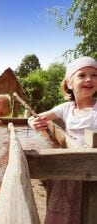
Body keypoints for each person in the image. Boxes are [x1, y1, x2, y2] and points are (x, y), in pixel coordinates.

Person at [28, 56, 97, 224]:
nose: (89, 79)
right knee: (63, 212)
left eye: (94, 75)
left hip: (91, 175)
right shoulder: (66, 108)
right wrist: (33, 122)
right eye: (82, 75)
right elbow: (36, 117)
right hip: (68, 172)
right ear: (69, 83)